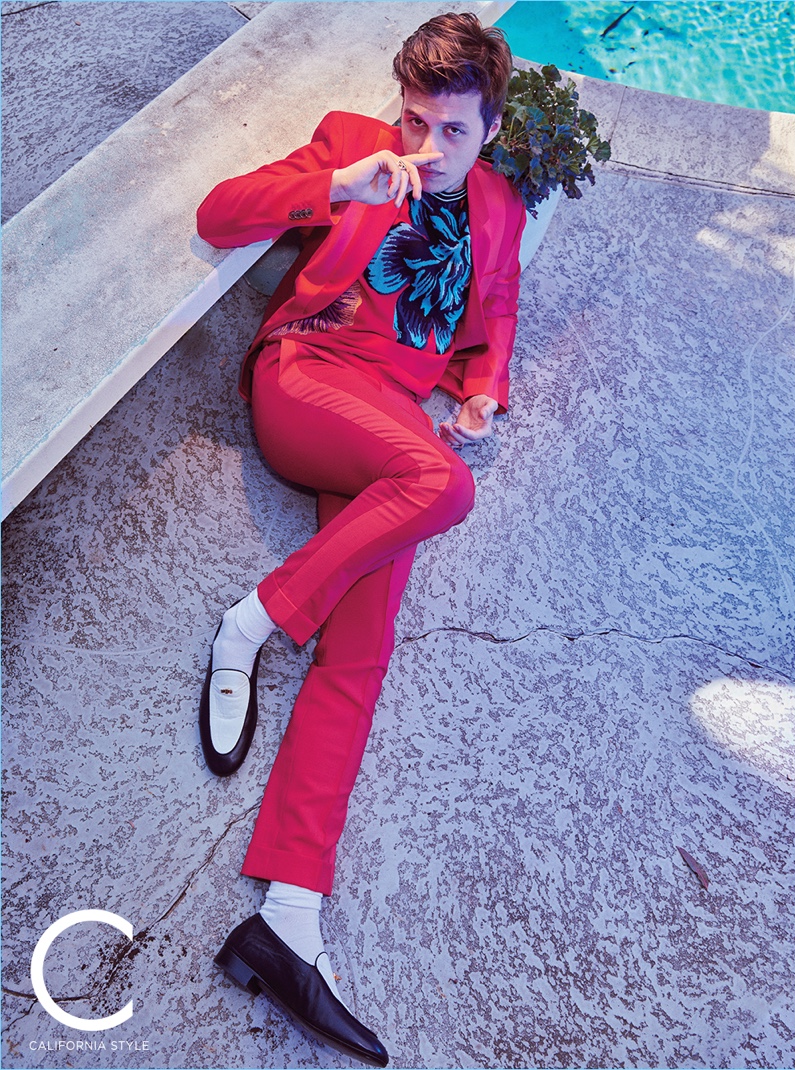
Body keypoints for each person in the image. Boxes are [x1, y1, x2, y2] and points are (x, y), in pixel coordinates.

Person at [195, 12, 525, 1066]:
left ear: (493, 127)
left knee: (364, 650)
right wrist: (341, 187)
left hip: (391, 427)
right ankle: (250, 620)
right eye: (415, 120)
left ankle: (286, 919)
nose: (429, 147)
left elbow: (491, 327)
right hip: (306, 378)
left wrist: (479, 392)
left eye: (453, 132)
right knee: (438, 484)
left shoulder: (500, 212)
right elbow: (218, 211)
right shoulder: (352, 146)